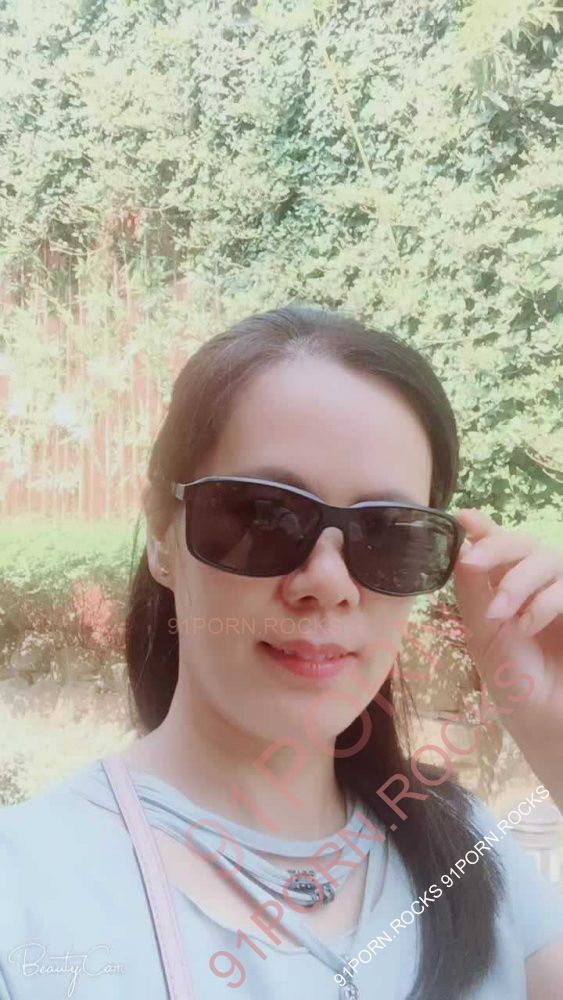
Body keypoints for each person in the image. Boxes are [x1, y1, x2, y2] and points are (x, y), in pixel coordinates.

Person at [1, 304, 562, 1000]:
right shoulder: (27, 896)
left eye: (388, 533)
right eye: (264, 516)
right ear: (162, 536)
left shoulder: (468, 848)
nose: (328, 583)